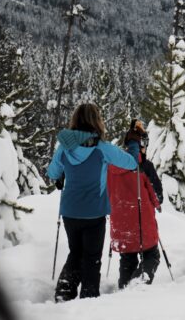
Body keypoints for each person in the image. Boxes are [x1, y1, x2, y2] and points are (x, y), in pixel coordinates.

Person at [47, 103, 137, 302]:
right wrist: (133, 145)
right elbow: (131, 163)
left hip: (70, 211)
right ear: (96, 121)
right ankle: (89, 299)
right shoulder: (102, 149)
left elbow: (52, 173)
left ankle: (64, 291)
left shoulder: (64, 148)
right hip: (94, 213)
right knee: (91, 257)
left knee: (76, 252)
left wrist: (62, 174)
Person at [108, 120, 163, 288]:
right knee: (152, 256)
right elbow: (157, 195)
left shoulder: (111, 166)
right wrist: (157, 204)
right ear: (141, 145)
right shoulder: (144, 166)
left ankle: (124, 289)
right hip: (142, 223)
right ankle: (139, 284)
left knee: (127, 259)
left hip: (120, 225)